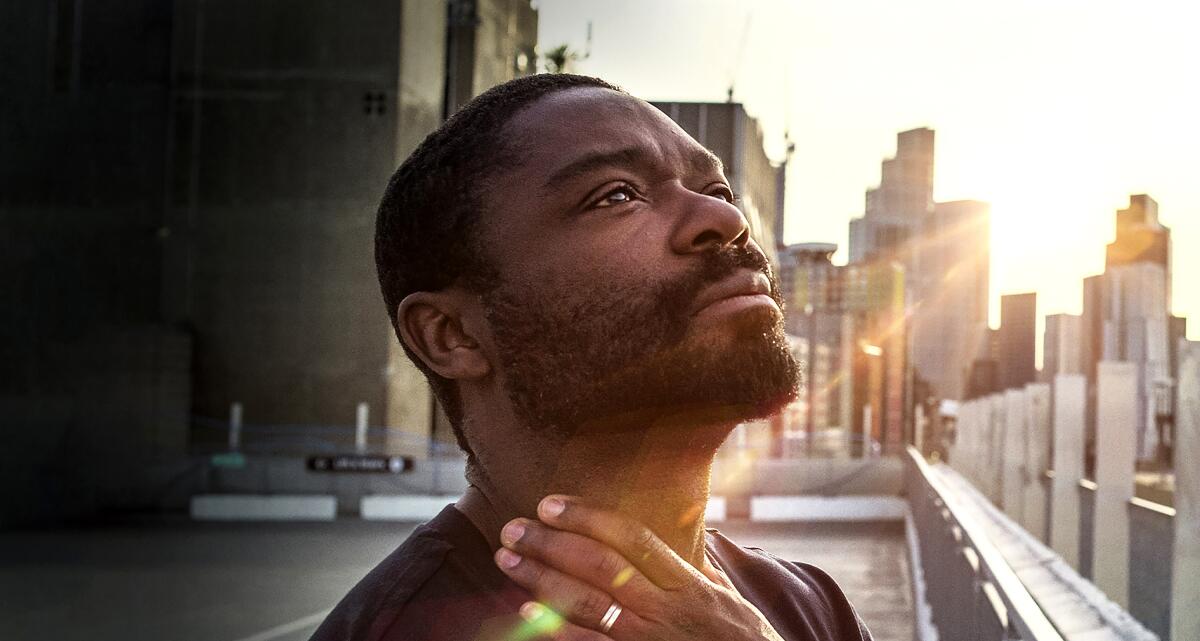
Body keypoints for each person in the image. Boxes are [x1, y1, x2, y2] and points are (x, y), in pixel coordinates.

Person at [311, 73, 872, 641]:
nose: (726, 221)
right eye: (617, 195)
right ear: (452, 335)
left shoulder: (813, 609)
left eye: (719, 191)